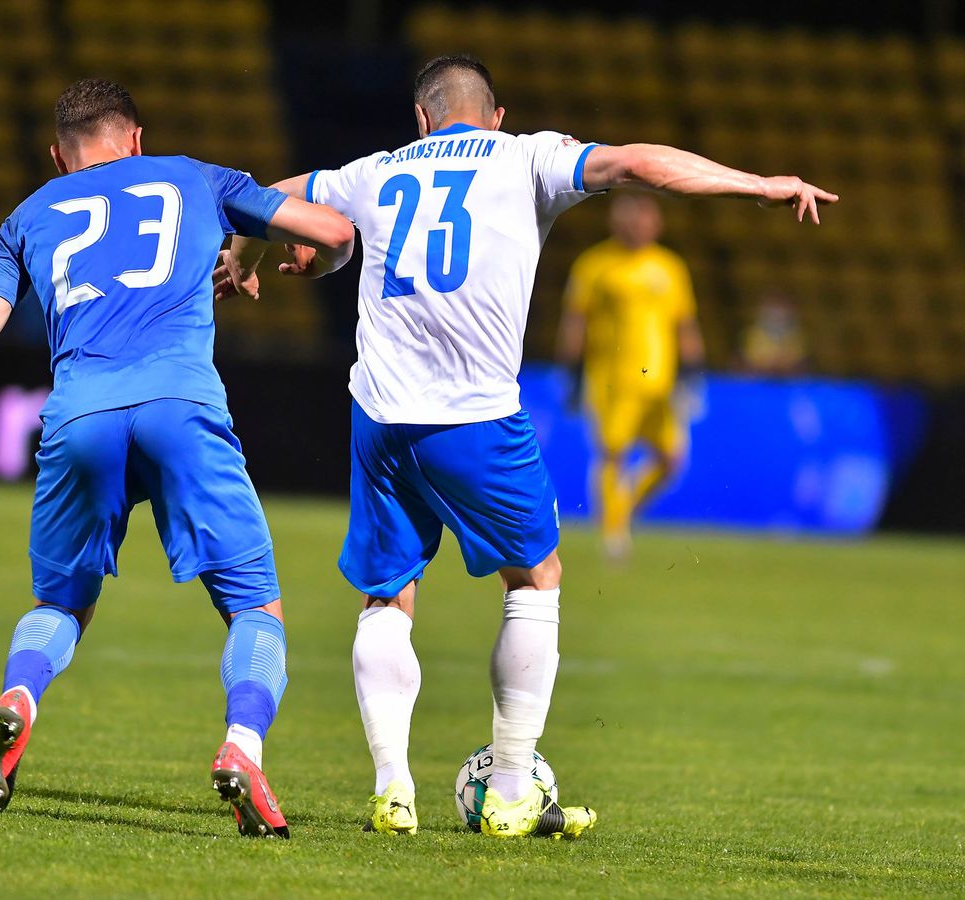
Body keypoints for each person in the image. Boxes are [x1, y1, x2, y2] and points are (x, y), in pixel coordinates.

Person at [216, 54, 836, 840]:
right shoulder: (528, 155)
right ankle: (510, 788)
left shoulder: (371, 171)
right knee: (535, 579)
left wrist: (247, 254)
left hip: (378, 415)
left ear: (421, 119)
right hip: (473, 416)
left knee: (388, 595)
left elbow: (273, 198)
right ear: (496, 115)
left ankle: (392, 790)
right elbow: (642, 162)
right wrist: (759, 184)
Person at [0, 78, 354, 839]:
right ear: (136, 138)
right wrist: (285, 259)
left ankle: (19, 697)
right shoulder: (197, 177)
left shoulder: (27, 216)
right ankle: (242, 748)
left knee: (60, 605)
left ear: (57, 155)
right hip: (182, 406)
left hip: (80, 417)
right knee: (252, 605)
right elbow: (335, 231)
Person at [555, 192, 705, 560]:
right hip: (612, 380)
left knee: (672, 458)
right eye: (631, 218)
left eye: (645, 218)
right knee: (613, 453)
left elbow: (684, 323)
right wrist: (571, 373)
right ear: (615, 222)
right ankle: (613, 535)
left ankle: (622, 508)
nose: (638, 225)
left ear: (656, 224)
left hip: (660, 384)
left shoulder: (670, 267)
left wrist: (693, 373)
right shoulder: (595, 266)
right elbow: (576, 321)